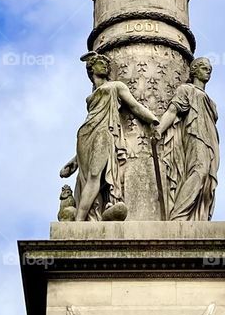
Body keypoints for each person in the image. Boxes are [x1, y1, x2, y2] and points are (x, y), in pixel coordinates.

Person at [60, 50, 158, 222]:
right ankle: (86, 218)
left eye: (106, 63)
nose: (105, 65)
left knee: (94, 176)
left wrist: (153, 120)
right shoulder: (91, 96)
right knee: (87, 178)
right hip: (85, 135)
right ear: (91, 69)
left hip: (104, 132)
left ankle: (79, 221)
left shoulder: (116, 86)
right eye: (100, 62)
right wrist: (74, 160)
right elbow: (92, 117)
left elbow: (134, 106)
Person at [154, 57, 219, 221]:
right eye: (204, 67)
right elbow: (172, 111)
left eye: (209, 69)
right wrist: (160, 129)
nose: (208, 71)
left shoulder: (211, 101)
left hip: (210, 141)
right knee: (199, 171)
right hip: (194, 134)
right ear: (194, 70)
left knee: (208, 181)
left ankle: (197, 216)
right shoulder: (186, 90)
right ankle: (179, 214)